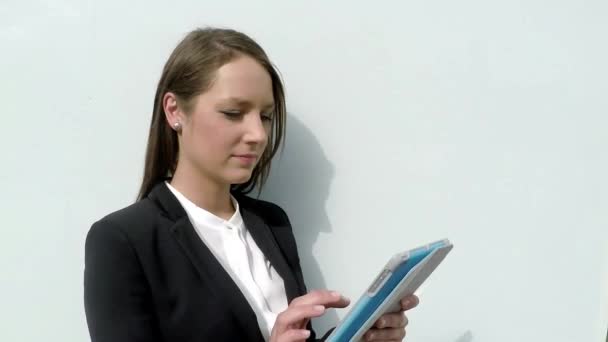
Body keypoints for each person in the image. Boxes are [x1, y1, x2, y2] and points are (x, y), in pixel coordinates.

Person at [84, 27, 419, 342]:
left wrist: (361, 334)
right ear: (175, 111)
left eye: (266, 116)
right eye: (233, 112)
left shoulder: (271, 223)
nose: (258, 135)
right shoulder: (123, 240)